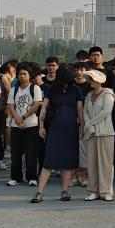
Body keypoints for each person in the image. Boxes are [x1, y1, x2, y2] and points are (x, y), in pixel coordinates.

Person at [35, 67, 81, 203]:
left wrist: (82, 126)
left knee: (68, 160)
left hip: (72, 127)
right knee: (49, 160)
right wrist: (41, 125)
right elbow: (44, 108)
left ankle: (64, 191)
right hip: (55, 127)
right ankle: (39, 192)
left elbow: (80, 110)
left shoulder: (75, 89)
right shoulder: (52, 89)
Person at [6, 65, 43, 187]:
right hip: (16, 125)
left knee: (31, 152)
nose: (22, 76)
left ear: (30, 75)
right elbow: (11, 106)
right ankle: (16, 177)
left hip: (31, 125)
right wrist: (17, 119)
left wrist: (23, 117)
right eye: (20, 74)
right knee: (15, 152)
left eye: (24, 74)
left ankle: (32, 177)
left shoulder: (35, 88)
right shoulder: (14, 89)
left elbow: (36, 105)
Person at [82, 69, 115, 201]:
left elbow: (106, 111)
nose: (90, 81)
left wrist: (90, 123)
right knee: (92, 163)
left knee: (106, 163)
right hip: (91, 133)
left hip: (105, 132)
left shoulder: (108, 93)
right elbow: (85, 111)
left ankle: (106, 191)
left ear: (99, 80)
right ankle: (93, 191)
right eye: (89, 79)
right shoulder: (89, 94)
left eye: (92, 79)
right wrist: (89, 124)